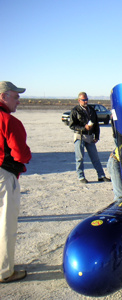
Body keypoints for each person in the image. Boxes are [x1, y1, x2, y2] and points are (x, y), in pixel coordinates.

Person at [0, 81, 32, 283]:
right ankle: (4, 271)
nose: (19, 101)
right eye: (16, 96)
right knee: (5, 223)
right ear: (3, 97)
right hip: (4, 175)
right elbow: (21, 154)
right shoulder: (9, 121)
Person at [69, 92, 110, 184]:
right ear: (79, 100)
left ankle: (101, 175)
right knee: (79, 157)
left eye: (86, 99)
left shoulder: (91, 110)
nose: (85, 101)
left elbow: (96, 124)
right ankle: (81, 176)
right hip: (80, 136)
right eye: (83, 100)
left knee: (95, 157)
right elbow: (72, 125)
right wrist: (84, 128)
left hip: (90, 136)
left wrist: (96, 136)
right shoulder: (75, 110)